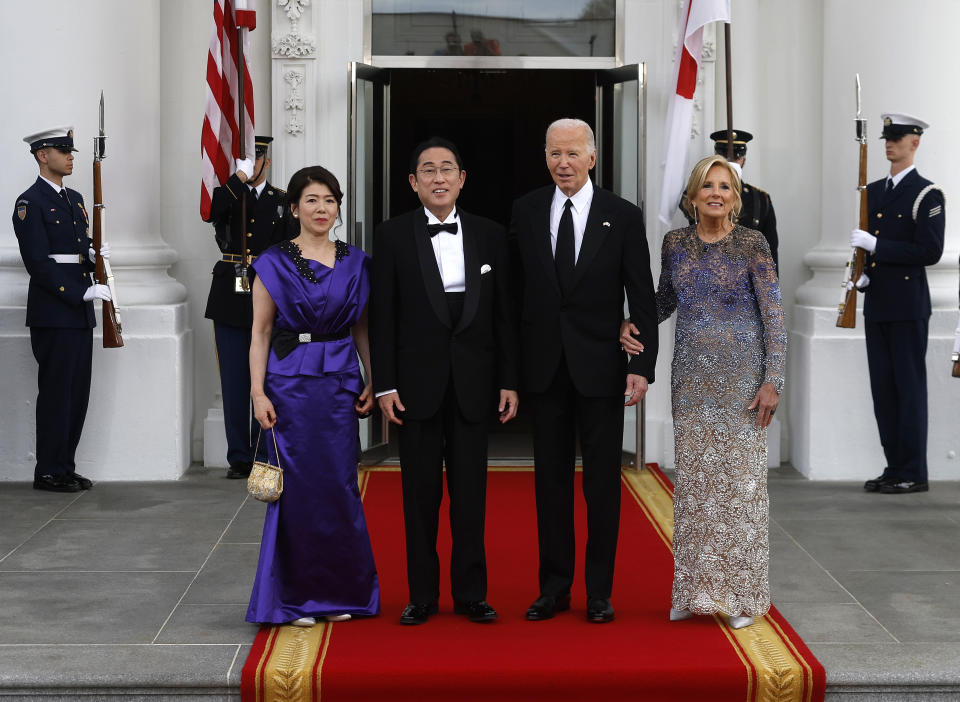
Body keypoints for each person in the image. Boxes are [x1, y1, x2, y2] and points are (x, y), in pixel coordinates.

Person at [509, 118, 657, 624]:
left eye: (573, 153)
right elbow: (515, 294)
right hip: (545, 368)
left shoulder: (623, 215)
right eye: (554, 153)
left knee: (600, 485)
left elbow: (641, 294)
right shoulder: (526, 211)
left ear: (593, 158)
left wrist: (642, 364)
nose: (563, 163)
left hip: (601, 367)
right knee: (549, 484)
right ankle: (553, 589)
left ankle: (599, 592)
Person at [370, 137, 519, 625]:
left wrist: (508, 380)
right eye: (428, 170)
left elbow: (504, 317)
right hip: (415, 387)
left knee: (471, 497)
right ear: (413, 183)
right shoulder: (391, 236)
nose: (438, 178)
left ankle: (472, 594)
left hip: (475, 385)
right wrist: (385, 384)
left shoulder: (491, 234)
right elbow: (383, 318)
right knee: (419, 497)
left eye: (447, 169)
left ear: (462, 179)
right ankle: (422, 597)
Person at [653, 155, 785, 630]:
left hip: (743, 386)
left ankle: (743, 598)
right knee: (694, 490)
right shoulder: (675, 244)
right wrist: (632, 325)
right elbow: (664, 301)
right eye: (706, 185)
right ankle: (695, 591)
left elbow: (774, 316)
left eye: (724, 186)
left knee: (740, 491)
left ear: (736, 197)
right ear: (692, 196)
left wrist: (774, 381)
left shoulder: (753, 243)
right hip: (690, 382)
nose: (715, 193)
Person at [245, 166, 378, 626]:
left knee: (339, 487)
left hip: (339, 381)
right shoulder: (272, 261)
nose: (322, 209)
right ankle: (292, 599)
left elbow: (361, 327)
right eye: (312, 200)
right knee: (296, 491)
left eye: (329, 200)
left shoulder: (358, 262)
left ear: (338, 207)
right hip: (288, 387)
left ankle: (341, 593)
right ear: (294, 207)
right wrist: (257, 392)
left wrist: (372, 378)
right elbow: (260, 333)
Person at [12, 126, 112, 493]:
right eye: (62, 151)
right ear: (43, 155)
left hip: (77, 310)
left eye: (71, 151)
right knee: (56, 392)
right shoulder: (30, 202)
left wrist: (91, 254)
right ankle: (48, 470)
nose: (71, 157)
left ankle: (66, 466)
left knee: (77, 391)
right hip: (54, 309)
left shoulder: (76, 198)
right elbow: (38, 262)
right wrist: (78, 292)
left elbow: (78, 244)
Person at [851, 113, 945, 494]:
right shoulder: (873, 191)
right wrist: (865, 272)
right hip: (879, 303)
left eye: (897, 138)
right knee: (884, 390)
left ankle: (914, 471)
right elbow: (870, 247)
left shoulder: (927, 194)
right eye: (886, 138)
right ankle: (894, 466)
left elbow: (930, 250)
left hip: (907, 307)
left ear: (915, 142)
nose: (889, 144)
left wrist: (879, 248)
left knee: (909, 390)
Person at [203, 136, 288, 479]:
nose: (249, 166)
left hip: (270, 292)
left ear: (266, 161)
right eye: (243, 161)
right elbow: (212, 212)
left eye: (254, 160)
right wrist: (236, 179)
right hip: (230, 296)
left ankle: (264, 451)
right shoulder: (228, 195)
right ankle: (239, 455)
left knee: (268, 378)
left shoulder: (281, 201)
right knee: (235, 379)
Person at [680, 129, 779, 274]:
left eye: (736, 157)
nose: (730, 161)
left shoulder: (759, 199)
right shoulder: (699, 193)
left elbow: (771, 255)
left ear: (743, 160)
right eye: (724, 156)